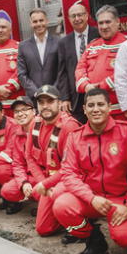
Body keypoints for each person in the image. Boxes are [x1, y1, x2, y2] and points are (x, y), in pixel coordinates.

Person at [53, 88, 127, 254]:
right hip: (92, 198)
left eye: (101, 104)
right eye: (91, 105)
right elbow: (69, 173)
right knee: (61, 206)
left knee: (125, 238)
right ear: (84, 109)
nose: (96, 109)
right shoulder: (75, 137)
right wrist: (91, 198)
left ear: (109, 107)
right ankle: (94, 239)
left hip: (121, 199)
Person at [17, 85, 81, 238]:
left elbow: (70, 168)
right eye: (41, 102)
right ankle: (58, 213)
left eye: (50, 101)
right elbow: (30, 157)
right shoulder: (35, 122)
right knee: (43, 229)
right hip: (49, 179)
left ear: (59, 103)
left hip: (70, 179)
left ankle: (84, 226)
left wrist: (45, 185)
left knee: (56, 195)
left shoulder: (69, 126)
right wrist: (42, 183)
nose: (45, 106)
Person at [75, 5, 127, 119]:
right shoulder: (92, 46)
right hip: (95, 113)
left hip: (120, 112)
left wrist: (100, 86)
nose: (104, 26)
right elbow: (80, 68)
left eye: (108, 22)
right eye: (101, 23)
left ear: (118, 22)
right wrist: (86, 86)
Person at [56, 2, 100, 124]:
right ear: (69, 19)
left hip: (97, 91)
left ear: (87, 16)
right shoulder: (63, 42)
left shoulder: (99, 34)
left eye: (80, 15)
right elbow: (62, 73)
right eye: (73, 16)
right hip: (76, 99)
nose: (77, 19)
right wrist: (65, 98)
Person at [0, 96, 37, 214]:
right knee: (7, 190)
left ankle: (46, 203)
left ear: (34, 111)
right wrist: (23, 183)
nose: (20, 114)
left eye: (25, 109)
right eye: (17, 111)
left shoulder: (43, 129)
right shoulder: (17, 134)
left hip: (46, 177)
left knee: (44, 229)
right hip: (29, 176)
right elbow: (17, 163)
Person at [17, 8, 60, 99]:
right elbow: (22, 74)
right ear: (31, 24)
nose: (39, 24)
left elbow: (62, 71)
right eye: (35, 21)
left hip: (56, 96)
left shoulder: (59, 42)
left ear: (47, 21)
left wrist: (52, 91)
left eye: (41, 20)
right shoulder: (23, 46)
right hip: (34, 98)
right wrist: (36, 92)